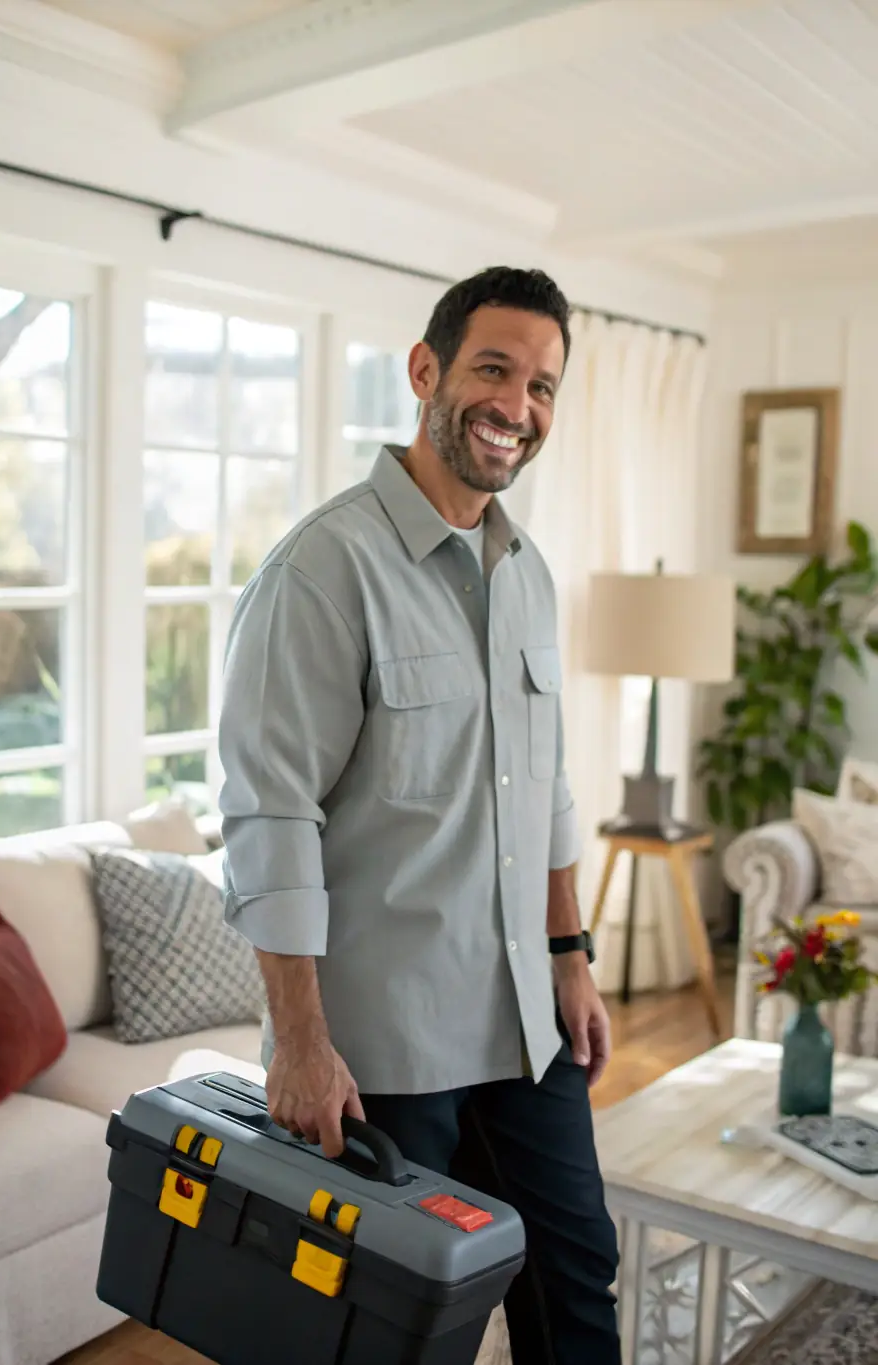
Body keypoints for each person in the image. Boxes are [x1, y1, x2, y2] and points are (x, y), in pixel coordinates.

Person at [218, 266, 621, 1363]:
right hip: (382, 1055)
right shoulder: (322, 570)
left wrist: (570, 954)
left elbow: (546, 786)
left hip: (524, 1025)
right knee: (390, 1330)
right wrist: (300, 1043)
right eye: (494, 369)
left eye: (542, 386)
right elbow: (270, 818)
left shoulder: (527, 572)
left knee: (576, 1276)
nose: (516, 406)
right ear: (425, 371)